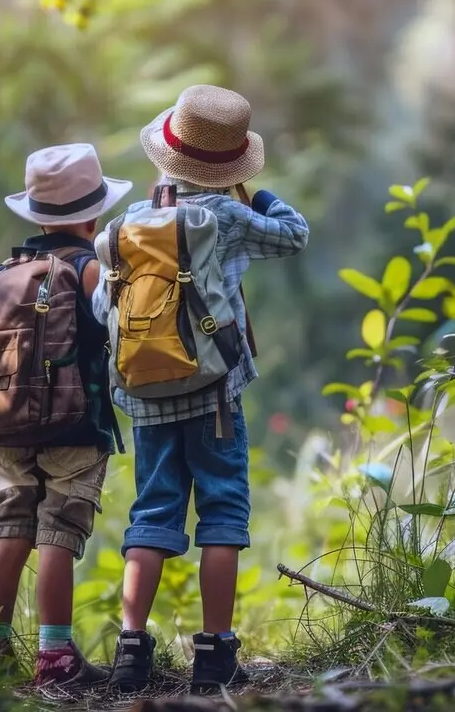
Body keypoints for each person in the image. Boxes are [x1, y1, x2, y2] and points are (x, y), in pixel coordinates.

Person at [96, 85, 309, 694]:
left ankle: (131, 652)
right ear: (231, 164)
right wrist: (260, 192)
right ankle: (214, 656)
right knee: (221, 512)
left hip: (146, 399)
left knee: (152, 514)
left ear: (168, 155)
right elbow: (294, 233)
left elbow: (99, 307)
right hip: (216, 396)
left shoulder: (125, 226)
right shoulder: (232, 218)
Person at [0, 143, 132, 690]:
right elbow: (116, 335)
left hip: (7, 425)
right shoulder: (89, 269)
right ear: (91, 215)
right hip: (75, 426)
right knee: (60, 532)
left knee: (12, 528)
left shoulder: (5, 270)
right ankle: (55, 657)